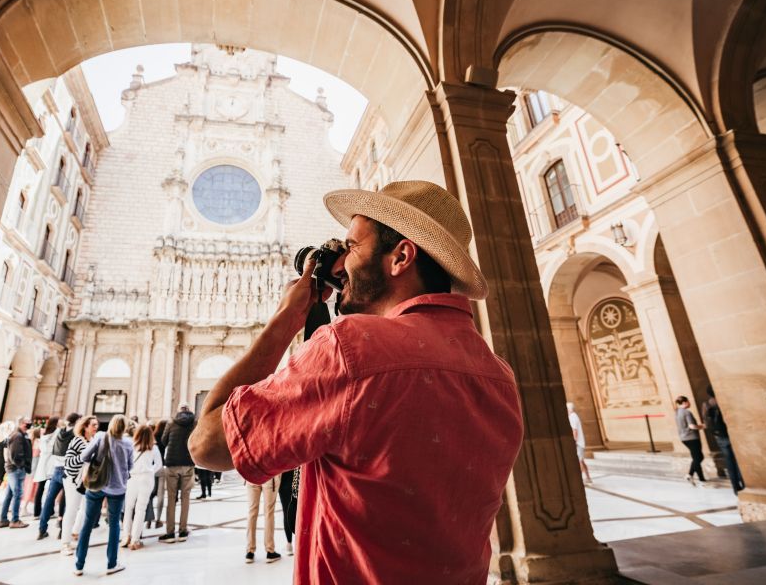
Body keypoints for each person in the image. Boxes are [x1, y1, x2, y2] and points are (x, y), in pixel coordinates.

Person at [189, 180, 524, 583]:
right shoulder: (498, 375)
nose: (340, 263)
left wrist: (285, 321)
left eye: (351, 247)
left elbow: (206, 444)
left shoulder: (350, 350)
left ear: (400, 257)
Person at [74, 414, 134, 576]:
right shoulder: (128, 444)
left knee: (87, 524)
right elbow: (130, 466)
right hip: (117, 488)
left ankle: (79, 565)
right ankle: (111, 564)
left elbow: (84, 456)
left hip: (96, 485)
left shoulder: (100, 437)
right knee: (114, 525)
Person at [61, 415, 98, 555]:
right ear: (85, 427)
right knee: (71, 509)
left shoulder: (93, 441)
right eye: (93, 425)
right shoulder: (77, 441)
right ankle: (65, 542)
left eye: (96, 424)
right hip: (72, 480)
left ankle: (75, 532)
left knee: (84, 508)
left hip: (85, 481)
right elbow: (68, 462)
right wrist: (85, 456)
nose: (96, 427)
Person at [39, 413, 80, 540]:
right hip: (68, 469)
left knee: (49, 499)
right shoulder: (75, 434)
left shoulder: (60, 432)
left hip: (56, 468)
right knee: (67, 500)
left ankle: (42, 529)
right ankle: (62, 530)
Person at [121, 424, 162, 550]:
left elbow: (125, 464)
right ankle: (135, 539)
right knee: (140, 509)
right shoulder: (153, 448)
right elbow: (159, 465)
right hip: (146, 479)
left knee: (128, 508)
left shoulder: (131, 446)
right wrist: (150, 471)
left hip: (132, 478)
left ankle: (125, 536)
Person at [159, 405, 195, 543]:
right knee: (186, 498)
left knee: (171, 498)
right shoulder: (194, 423)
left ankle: (170, 533)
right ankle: (183, 531)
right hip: (188, 463)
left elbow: (163, 441)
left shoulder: (172, 423)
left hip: (172, 463)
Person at [701, 386, 744, 494]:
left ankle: (735, 487)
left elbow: (706, 422)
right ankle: (743, 483)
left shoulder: (706, 404)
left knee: (729, 461)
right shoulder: (722, 402)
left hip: (719, 435)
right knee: (738, 460)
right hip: (729, 434)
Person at [0, 416, 32, 528]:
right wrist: (22, 465)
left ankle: (3, 519)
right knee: (17, 494)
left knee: (9, 494)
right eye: (28, 422)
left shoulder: (20, 435)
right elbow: (15, 454)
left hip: (15, 468)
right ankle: (15, 520)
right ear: (22, 423)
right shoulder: (17, 435)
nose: (30, 423)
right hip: (15, 469)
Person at [244, 475, 282, 564]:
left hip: (252, 475)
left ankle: (250, 552)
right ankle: (270, 551)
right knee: (269, 513)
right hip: (269, 475)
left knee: (252, 512)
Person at [676, 395, 706, 485]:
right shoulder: (687, 412)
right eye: (688, 401)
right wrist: (702, 426)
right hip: (692, 437)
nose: (690, 403)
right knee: (699, 457)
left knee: (696, 458)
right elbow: (691, 426)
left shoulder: (677, 412)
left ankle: (701, 478)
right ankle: (689, 474)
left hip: (684, 438)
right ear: (685, 402)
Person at [32, 417, 58, 519]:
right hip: (50, 463)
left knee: (41, 488)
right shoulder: (55, 434)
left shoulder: (44, 435)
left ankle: (37, 512)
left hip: (43, 463)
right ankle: (48, 511)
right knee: (51, 489)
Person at [567, 402, 592, 484]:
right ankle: (588, 477)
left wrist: (573, 441)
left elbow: (575, 430)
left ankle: (579, 479)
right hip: (579, 442)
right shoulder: (574, 416)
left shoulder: (572, 417)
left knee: (579, 461)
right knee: (581, 460)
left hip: (578, 443)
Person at [277, 468, 298, 556]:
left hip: (284, 483)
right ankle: (298, 542)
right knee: (299, 512)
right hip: (296, 481)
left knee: (286, 512)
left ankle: (289, 544)